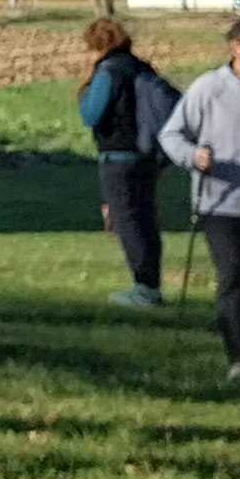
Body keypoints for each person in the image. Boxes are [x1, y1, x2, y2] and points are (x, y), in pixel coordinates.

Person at [162, 17, 240, 373]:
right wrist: (192, 156)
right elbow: (171, 135)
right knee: (235, 276)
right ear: (237, 47)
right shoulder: (208, 88)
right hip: (221, 203)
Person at [77, 16, 176, 309]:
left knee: (127, 221)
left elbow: (91, 115)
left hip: (118, 155)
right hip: (148, 155)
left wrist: (84, 93)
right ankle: (151, 283)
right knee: (145, 218)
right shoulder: (140, 68)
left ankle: (144, 288)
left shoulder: (108, 70)